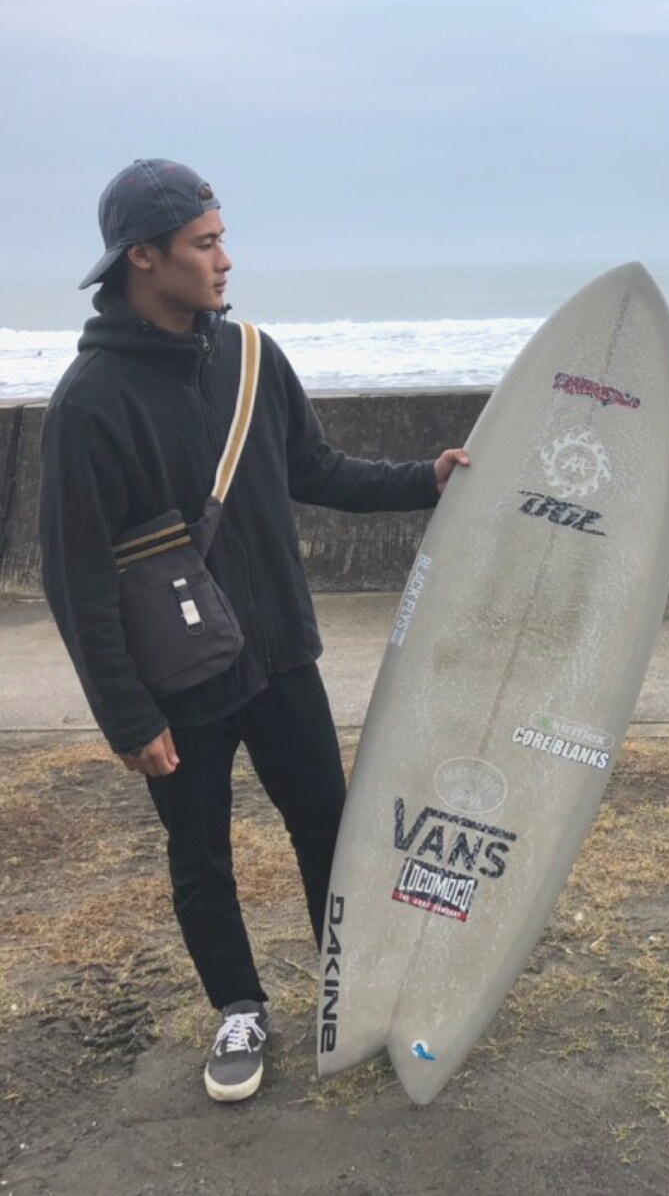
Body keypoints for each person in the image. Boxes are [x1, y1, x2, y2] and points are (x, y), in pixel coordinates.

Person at [38, 159, 469, 1103]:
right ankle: (239, 1009)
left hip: (278, 659)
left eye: (222, 238)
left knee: (331, 829)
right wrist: (127, 716)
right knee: (201, 855)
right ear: (143, 258)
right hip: (178, 679)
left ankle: (354, 989)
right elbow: (76, 581)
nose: (225, 259)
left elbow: (315, 466)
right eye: (204, 244)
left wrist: (424, 481)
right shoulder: (90, 403)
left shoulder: (252, 357)